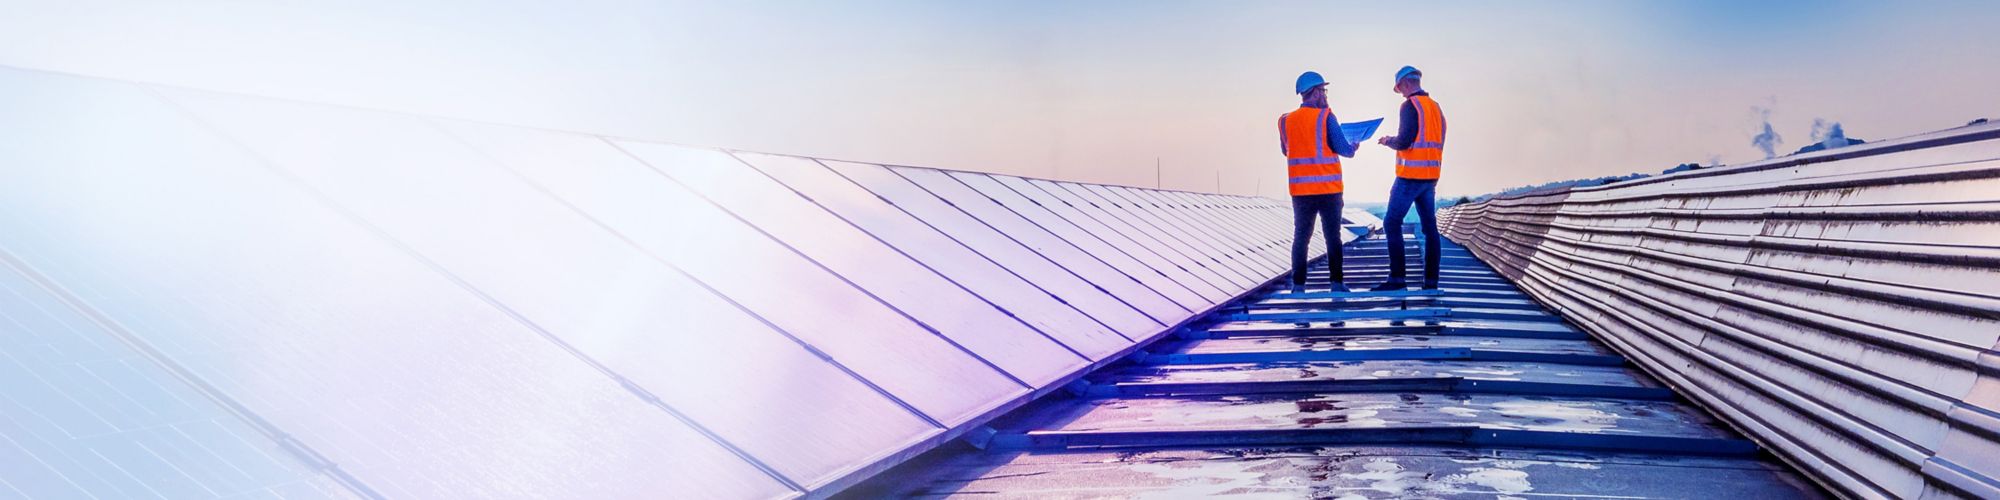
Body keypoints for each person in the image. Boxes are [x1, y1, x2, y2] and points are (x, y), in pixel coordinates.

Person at [1279, 71, 1357, 293]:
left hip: (1301, 191)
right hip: (1328, 189)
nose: (1325, 95)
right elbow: (1344, 150)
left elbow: (1286, 151)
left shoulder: (1285, 121)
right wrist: (1353, 147)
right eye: (1323, 90)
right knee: (1333, 236)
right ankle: (1337, 283)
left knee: (1301, 237)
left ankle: (1299, 286)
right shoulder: (1326, 117)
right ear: (1313, 93)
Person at [1372, 65, 1445, 291]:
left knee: (1391, 223)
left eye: (1399, 88)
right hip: (1430, 176)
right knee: (1430, 228)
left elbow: (1404, 141)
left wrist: (1387, 141)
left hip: (1410, 175)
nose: (1401, 92)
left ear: (1404, 84)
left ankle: (1397, 279)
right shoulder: (1435, 108)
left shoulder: (1409, 106)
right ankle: (1430, 283)